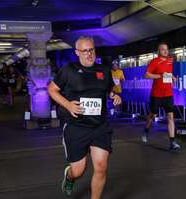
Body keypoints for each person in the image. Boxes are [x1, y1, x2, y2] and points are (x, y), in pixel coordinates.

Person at [48, 36, 121, 199]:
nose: (89, 54)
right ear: (77, 52)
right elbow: (52, 90)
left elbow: (110, 90)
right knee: (79, 170)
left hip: (99, 126)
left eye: (91, 50)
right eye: (85, 51)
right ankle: (70, 176)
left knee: (101, 167)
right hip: (76, 126)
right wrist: (68, 105)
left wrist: (114, 96)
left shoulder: (104, 70)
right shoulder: (68, 70)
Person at [142, 42, 181, 150]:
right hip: (157, 95)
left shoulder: (170, 60)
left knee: (170, 117)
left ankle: (172, 143)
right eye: (163, 49)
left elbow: (167, 72)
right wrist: (160, 76)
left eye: (166, 49)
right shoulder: (154, 62)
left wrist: (172, 77)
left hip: (168, 94)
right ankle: (146, 130)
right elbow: (146, 75)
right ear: (159, 51)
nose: (165, 51)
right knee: (152, 116)